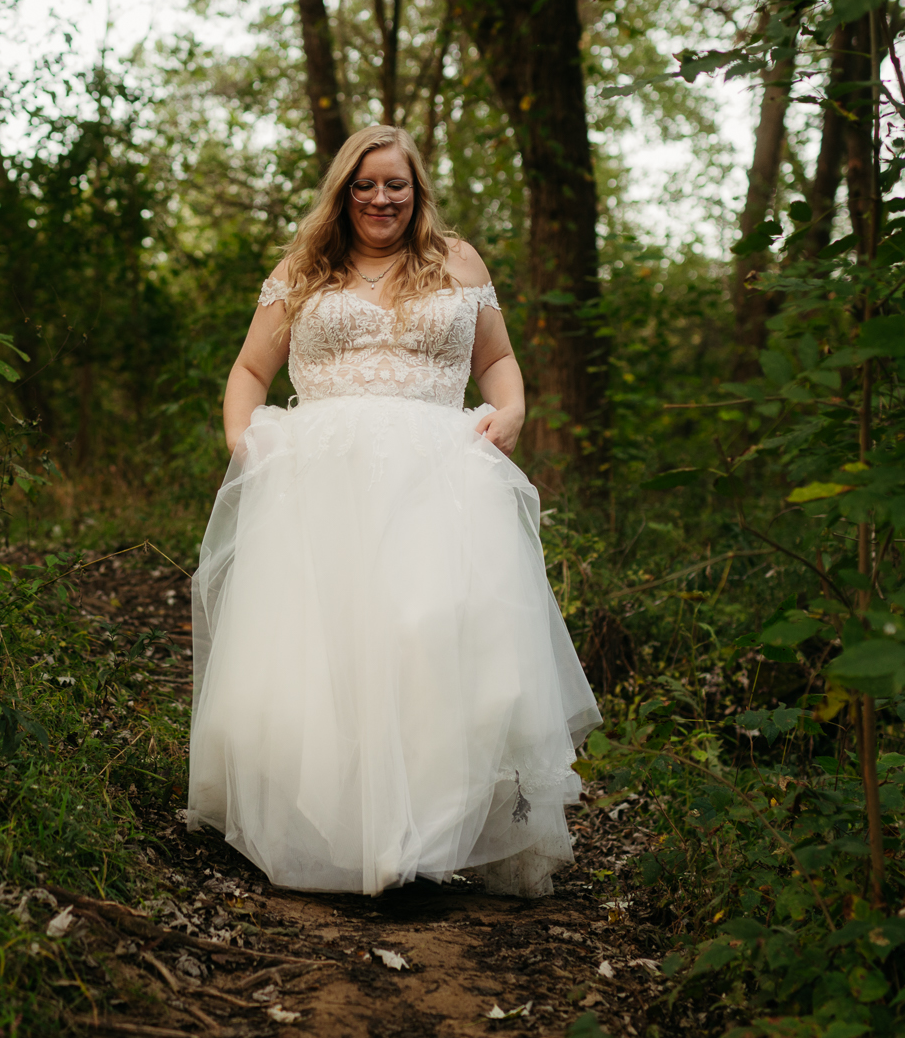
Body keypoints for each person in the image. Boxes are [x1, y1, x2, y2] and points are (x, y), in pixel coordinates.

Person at [186, 124, 601, 897]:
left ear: (417, 191)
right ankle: (342, 837)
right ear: (344, 192)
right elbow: (249, 367)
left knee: (429, 638)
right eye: (366, 184)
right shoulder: (303, 268)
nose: (381, 198)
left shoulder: (458, 261)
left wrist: (509, 411)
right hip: (322, 481)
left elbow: (497, 360)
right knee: (332, 651)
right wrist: (245, 437)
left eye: (395, 185)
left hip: (440, 480)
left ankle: (427, 837)